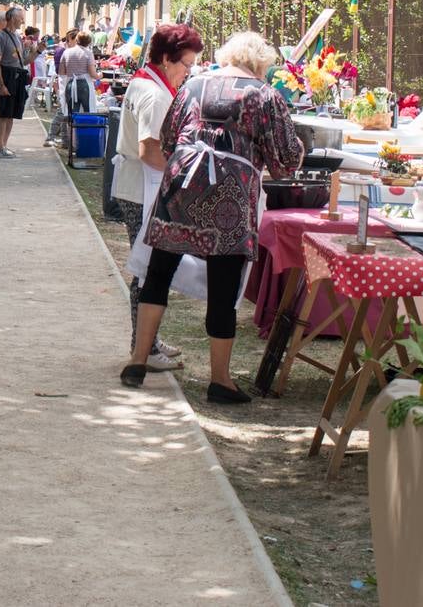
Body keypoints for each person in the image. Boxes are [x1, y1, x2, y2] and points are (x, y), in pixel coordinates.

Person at [122, 31, 304, 403]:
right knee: (223, 286)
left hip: (180, 186)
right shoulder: (265, 96)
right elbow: (286, 160)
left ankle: (138, 361)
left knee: (158, 273)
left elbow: (169, 138)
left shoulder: (192, 85)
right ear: (260, 63)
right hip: (230, 196)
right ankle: (220, 380)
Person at [112, 24, 204, 373]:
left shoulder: (145, 81)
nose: (188, 72)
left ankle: (148, 339)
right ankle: (144, 347)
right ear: (166, 59)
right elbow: (149, 150)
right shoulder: (156, 94)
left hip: (137, 186)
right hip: (143, 189)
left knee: (147, 267)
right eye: (185, 64)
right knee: (146, 269)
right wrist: (183, 175)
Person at [0, 7, 33, 158]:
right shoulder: (1, 37)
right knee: (3, 114)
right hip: (6, 76)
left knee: (11, 114)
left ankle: (4, 146)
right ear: (13, 18)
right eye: (21, 17)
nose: (23, 20)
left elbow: (24, 62)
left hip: (17, 76)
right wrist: (1, 84)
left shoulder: (17, 37)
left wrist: (38, 51)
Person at [44, 29, 79, 146]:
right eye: (77, 40)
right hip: (64, 85)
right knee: (62, 112)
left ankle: (65, 141)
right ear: (72, 39)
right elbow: (60, 72)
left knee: (66, 113)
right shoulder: (63, 51)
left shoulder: (66, 50)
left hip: (66, 84)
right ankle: (50, 137)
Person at [57, 31, 100, 116]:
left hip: (70, 83)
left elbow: (61, 72)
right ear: (89, 42)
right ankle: (86, 128)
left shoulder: (66, 52)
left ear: (76, 40)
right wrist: (100, 76)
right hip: (85, 84)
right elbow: (93, 74)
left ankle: (71, 129)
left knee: (71, 113)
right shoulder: (88, 53)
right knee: (88, 112)